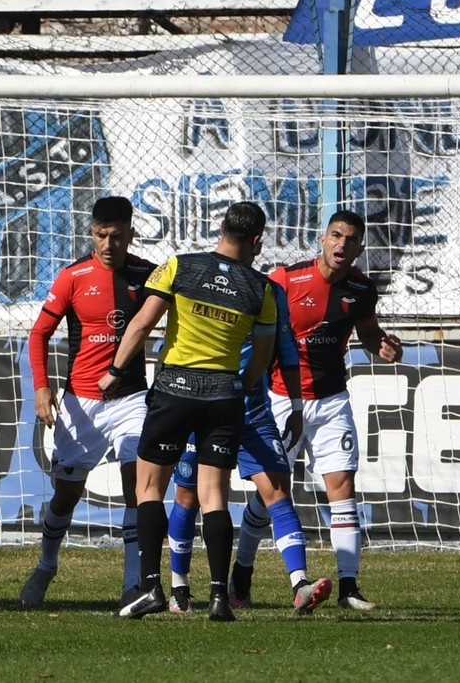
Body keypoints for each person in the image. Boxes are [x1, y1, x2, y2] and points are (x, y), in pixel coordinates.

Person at [100, 201, 278, 622]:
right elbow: (262, 359)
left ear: (221, 227)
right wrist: (242, 385)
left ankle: (150, 588)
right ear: (256, 241)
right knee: (214, 496)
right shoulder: (262, 289)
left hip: (175, 390)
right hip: (224, 397)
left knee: (148, 489)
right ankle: (219, 597)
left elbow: (142, 324)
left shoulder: (179, 266)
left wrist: (114, 370)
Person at [19, 196, 157, 608]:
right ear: (91, 233)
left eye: (116, 236)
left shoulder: (148, 276)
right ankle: (46, 565)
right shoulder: (72, 277)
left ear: (131, 233)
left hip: (131, 400)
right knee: (66, 494)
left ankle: (133, 584)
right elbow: (39, 334)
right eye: (100, 235)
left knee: (139, 486)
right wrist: (42, 388)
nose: (108, 244)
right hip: (81, 403)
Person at [264, 210, 401, 611]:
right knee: (269, 493)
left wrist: (385, 346)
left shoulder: (361, 290)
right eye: (336, 236)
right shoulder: (285, 280)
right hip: (281, 398)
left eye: (351, 239)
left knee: (342, 490)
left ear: (359, 248)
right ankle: (242, 570)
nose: (342, 244)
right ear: (322, 240)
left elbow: (370, 335)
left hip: (332, 401)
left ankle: (348, 588)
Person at [165, 280, 328, 615]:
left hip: (253, 412)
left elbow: (286, 348)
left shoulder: (268, 291)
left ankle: (300, 585)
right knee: (188, 495)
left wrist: (296, 407)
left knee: (278, 491)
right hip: (202, 408)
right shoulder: (196, 279)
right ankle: (179, 586)